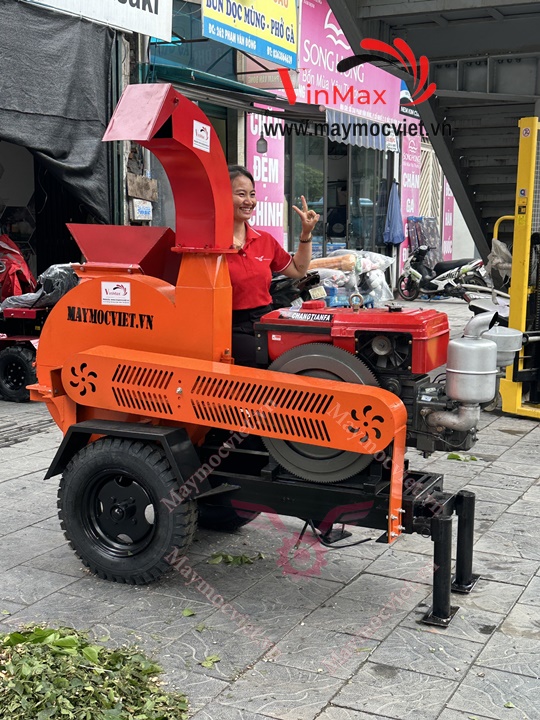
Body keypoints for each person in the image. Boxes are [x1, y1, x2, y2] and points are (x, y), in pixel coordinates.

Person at [227, 165, 320, 366]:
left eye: (252, 194)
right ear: (221, 196)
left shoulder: (265, 240)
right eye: (241, 194)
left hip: (264, 319)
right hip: (229, 326)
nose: (249, 201)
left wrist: (306, 233)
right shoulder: (209, 244)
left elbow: (298, 270)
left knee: (301, 352)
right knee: (269, 361)